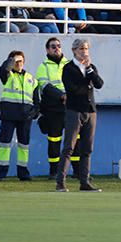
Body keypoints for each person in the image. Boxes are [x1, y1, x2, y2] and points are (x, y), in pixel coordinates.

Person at [56, 38, 104, 193]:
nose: (85, 52)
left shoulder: (91, 68)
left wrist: (89, 70)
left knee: (87, 148)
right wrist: (86, 83)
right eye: (82, 49)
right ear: (74, 50)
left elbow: (99, 84)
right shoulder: (68, 68)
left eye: (86, 49)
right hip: (74, 110)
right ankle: (61, 182)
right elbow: (72, 90)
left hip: (90, 110)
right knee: (69, 147)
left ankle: (85, 181)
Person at [0, 50, 36, 181]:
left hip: (25, 117)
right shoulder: (8, 75)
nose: (19, 63)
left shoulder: (31, 78)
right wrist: (11, 60)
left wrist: (34, 113)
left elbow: (36, 99)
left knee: (24, 146)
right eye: (17, 61)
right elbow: (2, 70)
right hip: (9, 116)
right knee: (4, 145)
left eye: (21, 61)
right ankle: (1, 173)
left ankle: (23, 173)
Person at [34, 37, 71, 179]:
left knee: (75, 140)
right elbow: (45, 86)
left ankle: (79, 171)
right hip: (53, 109)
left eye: (58, 46)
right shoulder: (43, 66)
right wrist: (62, 96)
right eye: (53, 46)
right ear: (47, 49)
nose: (56, 48)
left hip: (70, 108)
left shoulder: (69, 64)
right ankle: (54, 171)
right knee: (54, 141)